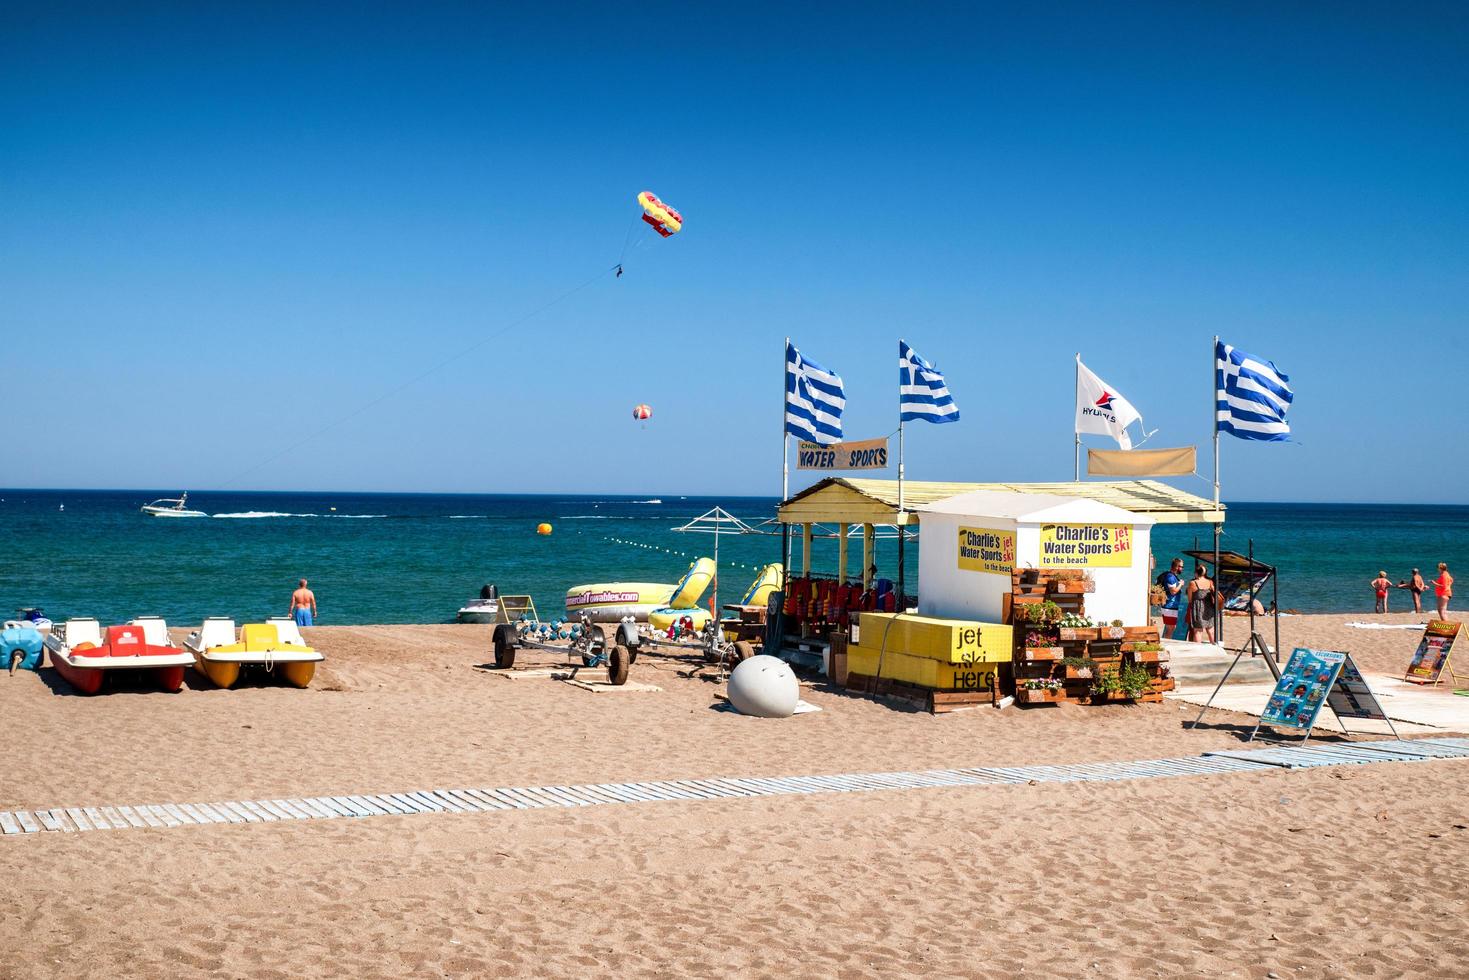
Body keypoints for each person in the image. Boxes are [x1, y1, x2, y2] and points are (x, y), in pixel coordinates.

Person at [1186, 563, 1216, 643]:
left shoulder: (1193, 583)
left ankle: (1198, 649)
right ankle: (1214, 647)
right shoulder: (1210, 582)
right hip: (1209, 607)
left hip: (1198, 608)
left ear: (1196, 572)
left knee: (1198, 631)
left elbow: (1189, 599)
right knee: (1210, 629)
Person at [1156, 558, 1185, 639]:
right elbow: (1173, 591)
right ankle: (1166, 645)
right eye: (1181, 567)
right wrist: (1181, 584)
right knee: (1171, 628)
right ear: (1176, 566)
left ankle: (1166, 643)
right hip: (1169, 606)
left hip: (1171, 606)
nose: (1182, 568)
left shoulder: (1173, 576)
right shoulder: (1170, 577)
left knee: (1171, 627)